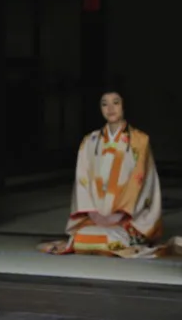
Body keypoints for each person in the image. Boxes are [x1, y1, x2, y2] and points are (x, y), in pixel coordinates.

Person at [38, 90, 163, 257]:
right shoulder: (90, 141)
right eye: (105, 104)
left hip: (128, 218)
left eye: (116, 102)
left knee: (113, 239)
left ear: (124, 107)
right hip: (95, 215)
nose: (110, 108)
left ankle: (121, 236)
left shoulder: (140, 141)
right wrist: (93, 212)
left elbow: (142, 181)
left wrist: (119, 212)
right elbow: (82, 180)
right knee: (82, 238)